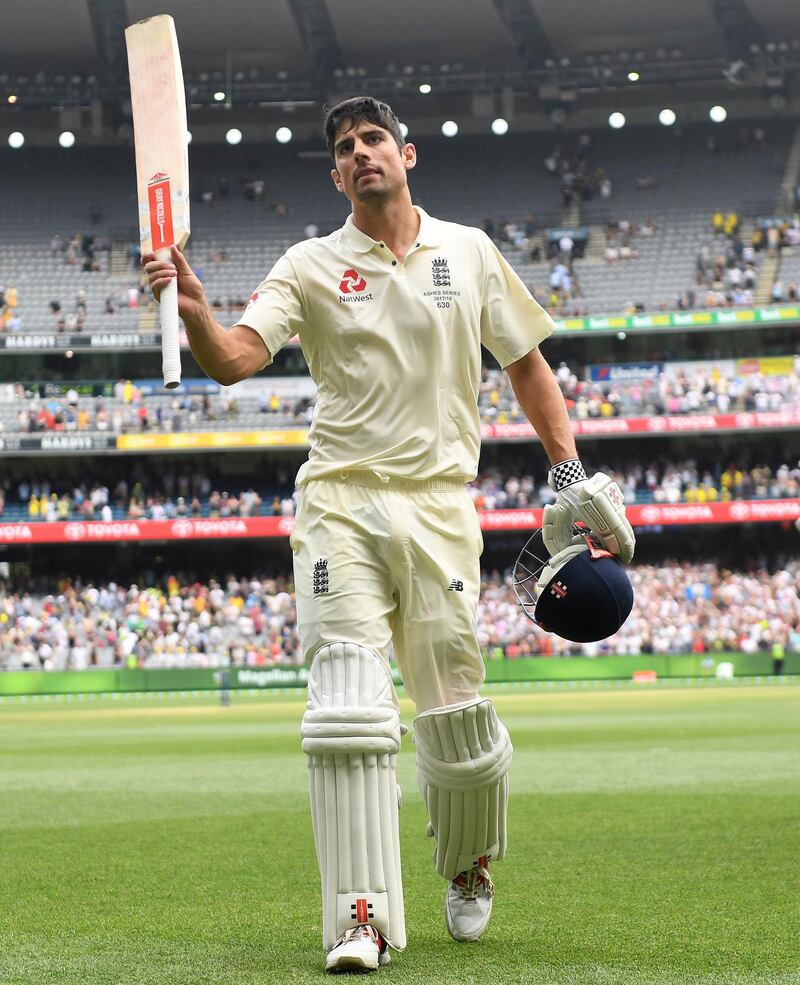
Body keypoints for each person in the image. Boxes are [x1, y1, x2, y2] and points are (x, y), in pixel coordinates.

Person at [143, 95, 635, 974]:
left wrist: (567, 472)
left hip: (443, 507)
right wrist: (192, 312)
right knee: (347, 704)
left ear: (407, 154)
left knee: (457, 718)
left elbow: (526, 364)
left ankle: (468, 864)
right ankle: (357, 914)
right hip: (340, 501)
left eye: (374, 139)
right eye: (345, 147)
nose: (362, 153)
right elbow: (233, 362)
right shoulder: (309, 263)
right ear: (336, 175)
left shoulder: (470, 252)